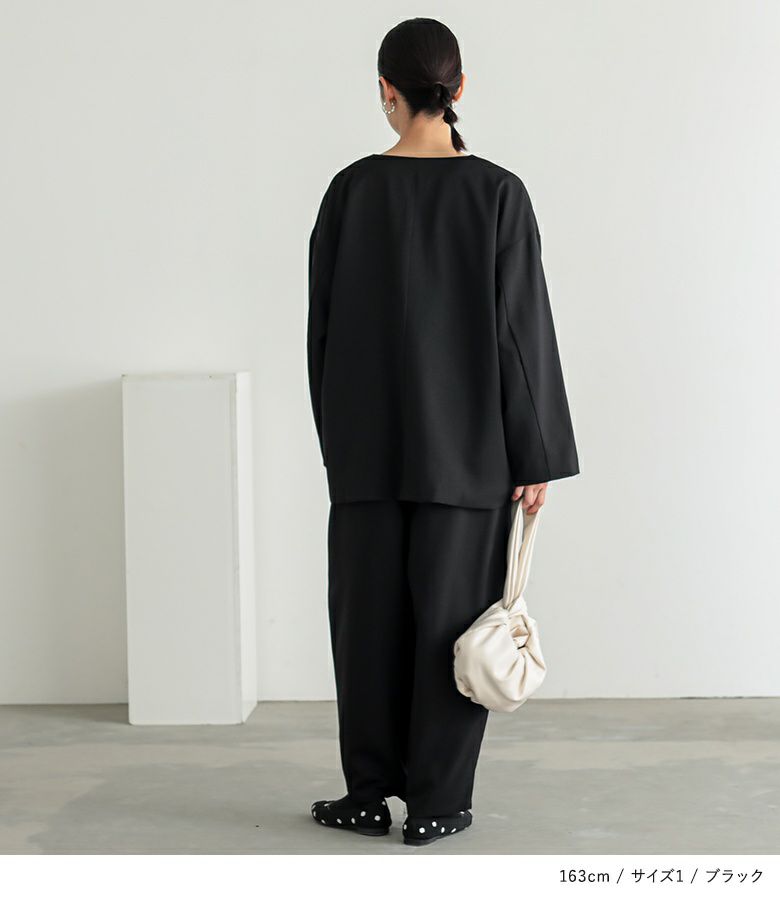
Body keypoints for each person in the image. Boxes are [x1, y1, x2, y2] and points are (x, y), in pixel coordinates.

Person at [306, 17, 579, 847]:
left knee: (367, 627)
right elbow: (521, 334)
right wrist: (534, 454)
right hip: (469, 457)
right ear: (459, 89)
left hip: (367, 455)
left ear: (385, 91)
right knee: (452, 629)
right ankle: (438, 803)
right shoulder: (497, 193)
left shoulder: (351, 192)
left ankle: (367, 794)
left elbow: (323, 332)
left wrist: (340, 440)